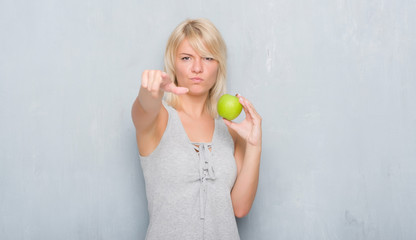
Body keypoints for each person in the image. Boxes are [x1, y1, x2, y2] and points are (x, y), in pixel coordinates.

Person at [131, 18, 262, 240]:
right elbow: (144, 107)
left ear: (219, 64)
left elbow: (240, 208)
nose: (197, 68)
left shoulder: (230, 129)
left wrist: (254, 145)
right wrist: (150, 89)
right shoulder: (158, 118)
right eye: (186, 58)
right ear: (173, 64)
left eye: (208, 57)